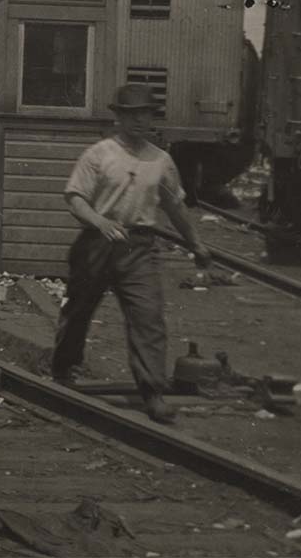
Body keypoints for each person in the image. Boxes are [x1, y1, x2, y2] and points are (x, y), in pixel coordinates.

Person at [50, 83, 212, 425]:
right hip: (97, 245)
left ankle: (152, 392)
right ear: (120, 117)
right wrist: (99, 221)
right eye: (133, 114)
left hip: (139, 248)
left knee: (148, 316)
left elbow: (176, 207)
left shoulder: (161, 161)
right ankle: (63, 372)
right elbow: (75, 199)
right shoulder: (99, 155)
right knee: (78, 310)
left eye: (146, 114)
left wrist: (196, 243)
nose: (140, 120)